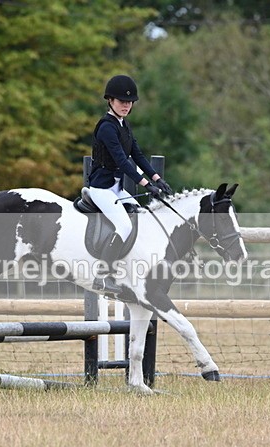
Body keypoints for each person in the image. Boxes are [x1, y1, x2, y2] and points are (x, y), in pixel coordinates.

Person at [88, 74, 173, 298]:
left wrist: (157, 179)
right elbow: (122, 161)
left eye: (129, 102)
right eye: (121, 101)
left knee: (140, 217)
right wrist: (145, 184)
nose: (126, 105)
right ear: (110, 101)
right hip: (101, 188)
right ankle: (102, 276)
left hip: (116, 188)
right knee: (124, 226)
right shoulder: (107, 127)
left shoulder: (124, 125)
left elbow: (137, 155)